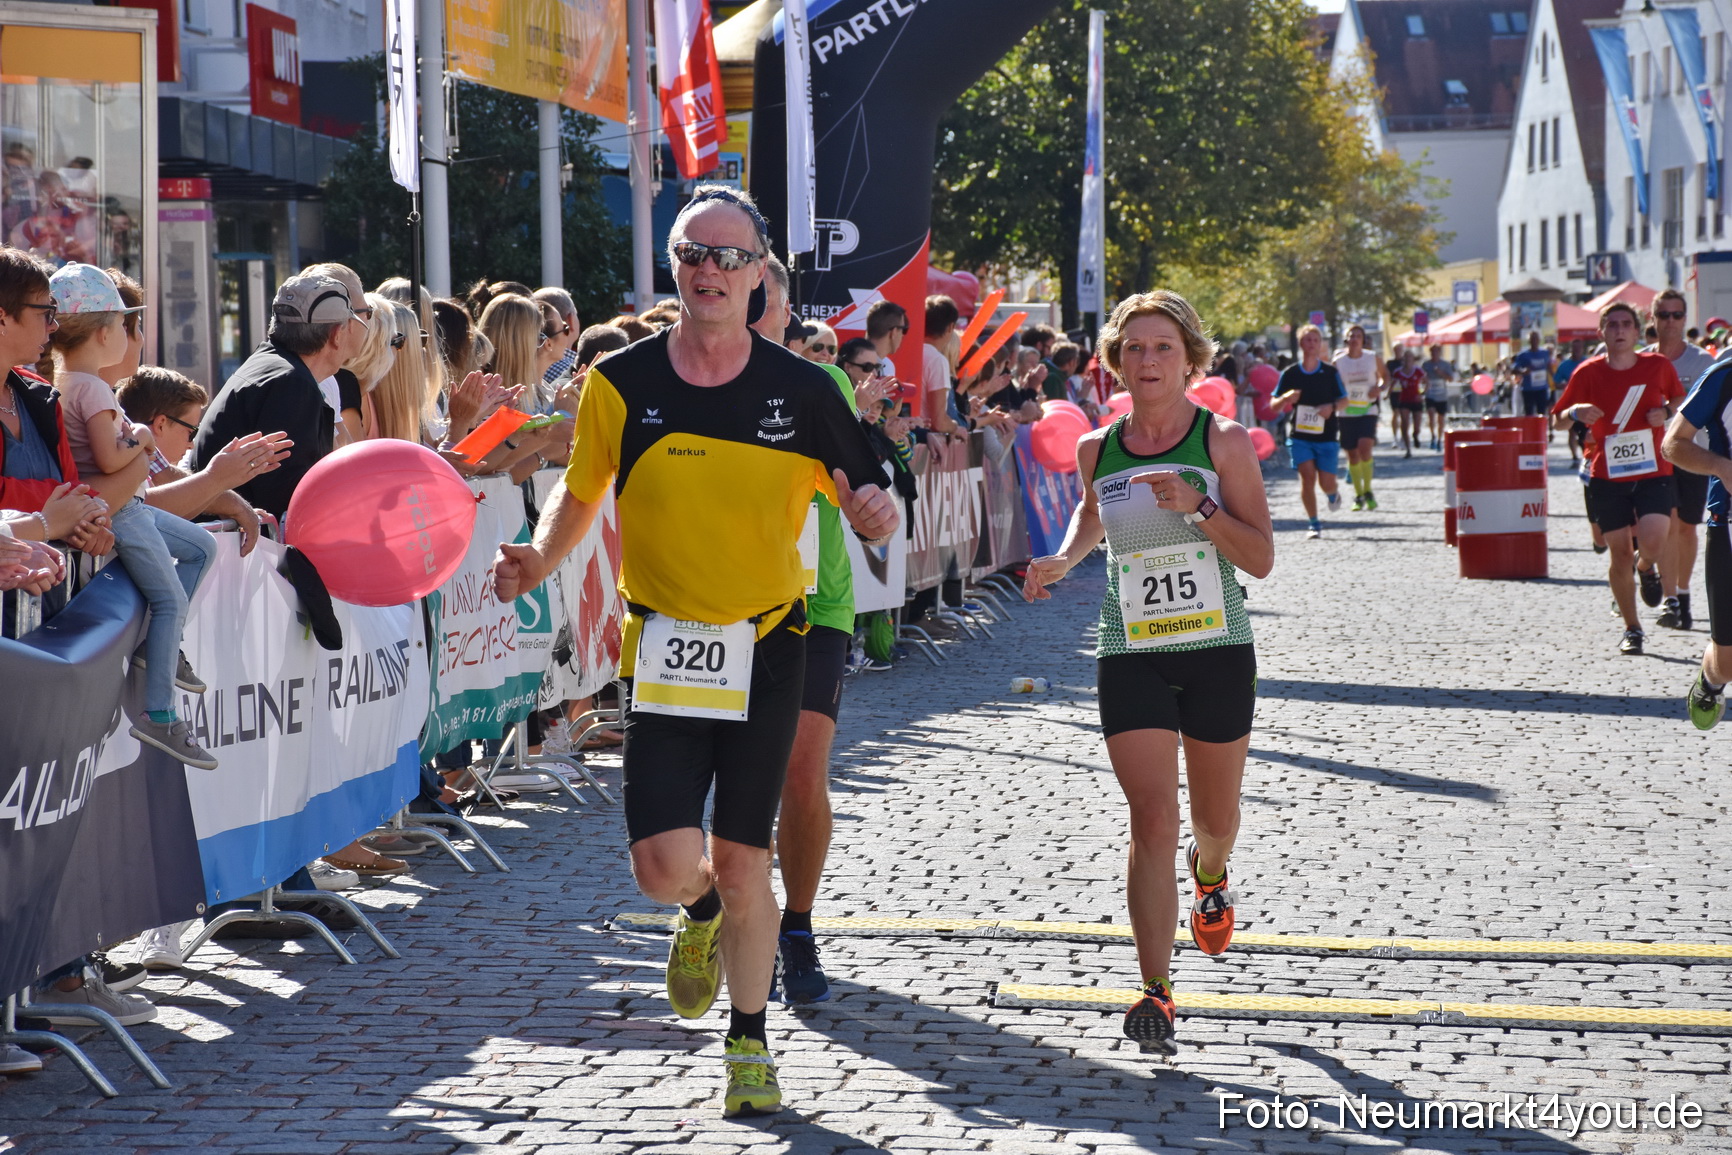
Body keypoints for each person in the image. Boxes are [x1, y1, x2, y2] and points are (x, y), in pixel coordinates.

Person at [489, 185, 898, 1118]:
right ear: (674, 269)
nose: (709, 271)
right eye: (693, 254)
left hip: (769, 644)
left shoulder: (804, 389)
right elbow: (581, 495)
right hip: (665, 648)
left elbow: (864, 493)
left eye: (728, 257)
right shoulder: (621, 383)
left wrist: (871, 512)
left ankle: (749, 1042)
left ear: (760, 276)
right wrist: (538, 558)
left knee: (746, 857)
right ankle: (701, 916)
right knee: (665, 867)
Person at [1021, 290, 1272, 1052]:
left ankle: (1212, 871)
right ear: (1114, 360)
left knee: (1211, 823)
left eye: (1163, 347)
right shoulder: (1099, 445)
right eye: (1134, 348)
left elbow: (1259, 557)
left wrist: (1199, 507)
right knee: (1150, 819)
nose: (1148, 360)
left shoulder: (1222, 440)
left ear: (1191, 358)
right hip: (1131, 646)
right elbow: (1094, 514)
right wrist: (1064, 557)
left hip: (1217, 647)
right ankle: (1156, 990)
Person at [747, 254, 871, 1007]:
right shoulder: (689, 378)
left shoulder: (824, 385)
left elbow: (859, 478)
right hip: (720, 603)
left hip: (815, 602)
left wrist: (875, 498)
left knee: (800, 769)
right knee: (734, 778)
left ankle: (795, 924)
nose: (754, 305)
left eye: (766, 296)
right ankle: (726, 904)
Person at [47, 262, 217, 769]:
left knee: (200, 547)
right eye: (126, 324)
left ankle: (156, 649)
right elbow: (108, 457)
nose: (131, 335)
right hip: (123, 511)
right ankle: (161, 714)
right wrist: (141, 437)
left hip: (127, 507)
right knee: (169, 601)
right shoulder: (93, 388)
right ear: (104, 333)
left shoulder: (68, 381)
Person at [1550, 303, 1685, 656]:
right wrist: (1574, 412)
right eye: (1612, 325)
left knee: (1654, 543)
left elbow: (1680, 398)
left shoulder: (1657, 366)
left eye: (1627, 324)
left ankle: (1647, 567)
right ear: (1601, 332)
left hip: (1653, 470)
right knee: (1619, 552)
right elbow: (1557, 421)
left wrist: (1666, 413)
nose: (1620, 330)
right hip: (1607, 476)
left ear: (1638, 332)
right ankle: (1632, 628)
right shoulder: (1587, 372)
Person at [190, 270, 366, 518]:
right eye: (352, 323)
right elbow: (292, 498)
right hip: (241, 546)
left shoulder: (275, 366)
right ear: (337, 335)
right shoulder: (291, 384)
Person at [1662, 354, 1732, 728]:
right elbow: (1673, 444)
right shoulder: (1723, 376)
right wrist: (1722, 467)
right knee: (1727, 663)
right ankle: (1710, 681)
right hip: (1729, 525)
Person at [1645, 290, 1718, 630]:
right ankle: (1670, 598)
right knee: (1667, 524)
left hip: (1690, 452)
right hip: (1648, 458)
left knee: (1686, 527)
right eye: (1663, 315)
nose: (1670, 322)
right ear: (1653, 318)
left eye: (1676, 315)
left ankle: (1682, 595)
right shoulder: (1641, 361)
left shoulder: (1702, 362)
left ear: (1684, 319)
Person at [1267, 324, 1345, 539]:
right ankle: (1313, 523)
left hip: (1327, 435)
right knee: (1307, 477)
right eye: (1308, 340)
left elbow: (1344, 400)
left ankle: (1332, 494)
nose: (1311, 344)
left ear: (1320, 345)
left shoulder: (1330, 372)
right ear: (1301, 343)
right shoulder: (1290, 373)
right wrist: (1285, 398)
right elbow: (1273, 406)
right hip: (1301, 436)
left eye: (1315, 340)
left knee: (1326, 482)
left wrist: (1332, 408)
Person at [1333, 325, 1385, 511]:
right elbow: (1332, 384)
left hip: (1367, 410)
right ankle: (1359, 494)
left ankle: (1368, 490)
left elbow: (1385, 377)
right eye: (1351, 335)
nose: (1355, 338)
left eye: (1358, 336)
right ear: (1346, 340)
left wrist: (1378, 388)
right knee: (1352, 455)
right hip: (1346, 413)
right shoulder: (1338, 362)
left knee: (1364, 447)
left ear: (1363, 340)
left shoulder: (1372, 358)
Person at [1553, 339, 1587, 466]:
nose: (1576, 351)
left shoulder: (1586, 363)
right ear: (1571, 349)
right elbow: (1556, 383)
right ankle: (1574, 457)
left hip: (1585, 404)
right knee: (1571, 432)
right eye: (1574, 348)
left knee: (1585, 433)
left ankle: (1586, 456)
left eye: (1578, 348)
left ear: (1582, 349)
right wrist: (1566, 386)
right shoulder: (1564, 365)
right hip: (1570, 404)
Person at [1512, 330, 1554, 427]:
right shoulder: (1523, 355)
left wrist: (1555, 379)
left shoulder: (1545, 353)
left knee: (1542, 413)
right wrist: (1523, 372)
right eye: (1532, 339)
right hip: (1528, 389)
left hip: (1542, 388)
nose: (1534, 341)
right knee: (1529, 414)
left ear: (1539, 340)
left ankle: (1542, 433)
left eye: (1536, 338)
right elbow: (1514, 370)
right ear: (1529, 341)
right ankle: (1530, 434)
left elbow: (1549, 367)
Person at [1389, 348, 1425, 458]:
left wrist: (1422, 393)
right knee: (1404, 423)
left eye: (1410, 357)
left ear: (1413, 359)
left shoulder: (1418, 371)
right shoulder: (1398, 372)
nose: (1408, 359)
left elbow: (1427, 383)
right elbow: (1393, 383)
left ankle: (1416, 435)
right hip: (1404, 399)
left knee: (1417, 425)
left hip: (1416, 400)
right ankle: (1408, 449)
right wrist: (1387, 394)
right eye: (1406, 357)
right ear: (1403, 359)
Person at [1420, 344, 1454, 450]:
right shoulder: (1426, 364)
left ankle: (1439, 439)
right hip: (1430, 393)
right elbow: (1421, 378)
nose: (1434, 353)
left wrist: (1441, 373)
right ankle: (1432, 436)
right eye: (1432, 351)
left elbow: (1450, 379)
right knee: (1431, 414)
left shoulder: (1445, 364)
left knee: (1441, 419)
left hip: (1441, 395)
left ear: (1440, 352)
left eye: (1436, 351)